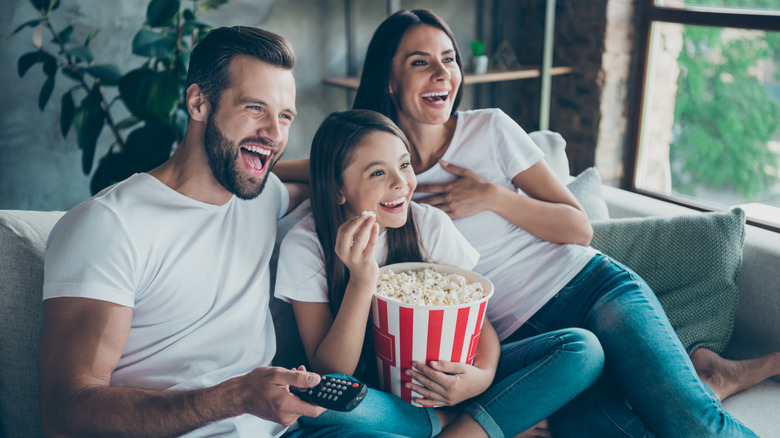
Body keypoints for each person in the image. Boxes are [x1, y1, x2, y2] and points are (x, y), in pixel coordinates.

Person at [347, 8, 779, 437]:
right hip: (539, 345)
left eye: (449, 58)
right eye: (420, 62)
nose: (442, 73)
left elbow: (579, 227)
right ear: (388, 80)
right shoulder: (381, 174)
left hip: (591, 288)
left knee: (695, 426)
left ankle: (702, 384)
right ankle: (709, 377)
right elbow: (319, 163)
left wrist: (493, 197)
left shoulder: (490, 129)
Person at [39, 26, 404, 438]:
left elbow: (329, 174)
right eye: (255, 108)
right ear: (198, 102)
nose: (275, 133)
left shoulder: (260, 197)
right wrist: (235, 397)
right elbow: (63, 411)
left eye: (284, 116)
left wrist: (393, 171)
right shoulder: (108, 226)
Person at [274, 109, 605, 438]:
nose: (400, 183)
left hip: (457, 380)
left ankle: (460, 422)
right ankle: (465, 425)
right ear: (337, 189)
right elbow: (333, 371)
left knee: (583, 350)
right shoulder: (306, 245)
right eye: (377, 173)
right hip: (379, 398)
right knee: (320, 401)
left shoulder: (428, 224)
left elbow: (477, 318)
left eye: (404, 165)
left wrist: (482, 376)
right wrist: (361, 281)